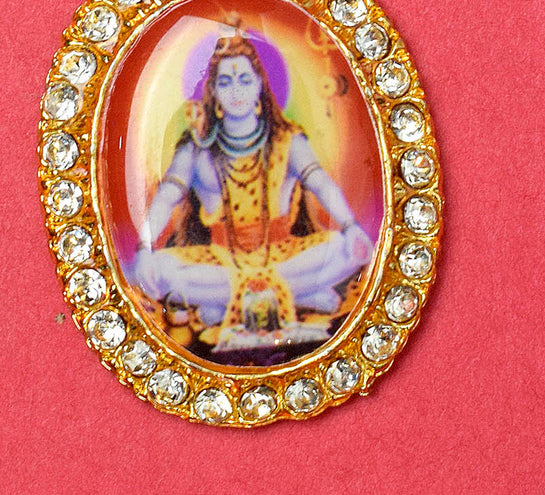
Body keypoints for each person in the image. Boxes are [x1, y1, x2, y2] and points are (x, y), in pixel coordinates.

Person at [130, 30, 374, 354]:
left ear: (261, 86)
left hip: (284, 255)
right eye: (225, 82)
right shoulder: (196, 148)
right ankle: (302, 295)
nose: (236, 91)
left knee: (347, 249)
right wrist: (145, 247)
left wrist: (351, 226)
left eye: (245, 80)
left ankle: (223, 306)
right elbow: (165, 198)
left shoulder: (288, 140)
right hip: (220, 261)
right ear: (213, 92)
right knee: (159, 270)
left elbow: (322, 184)